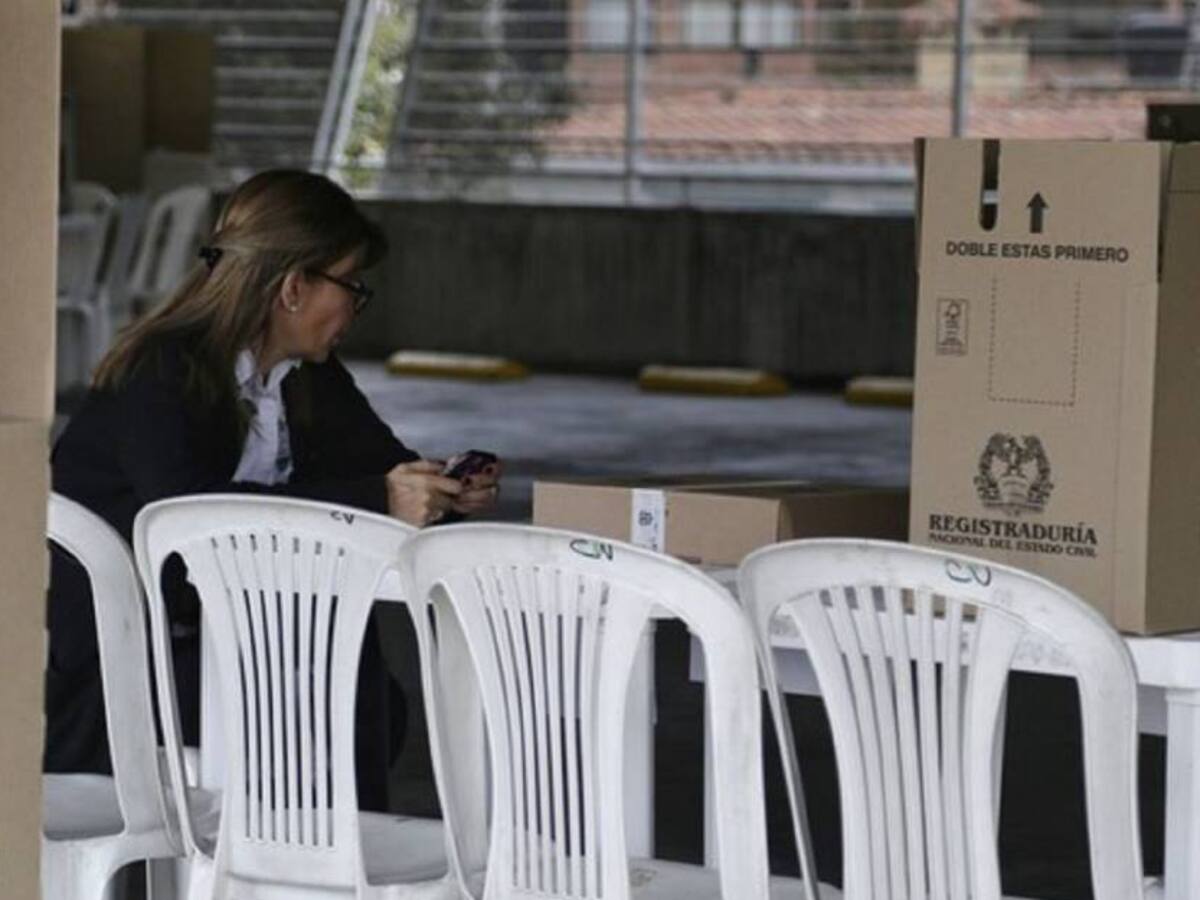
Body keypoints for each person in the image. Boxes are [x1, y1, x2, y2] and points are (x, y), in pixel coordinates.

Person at [47, 170, 501, 808]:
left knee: (355, 680)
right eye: (352, 287)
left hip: (228, 639)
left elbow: (381, 465)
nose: (354, 309)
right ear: (293, 287)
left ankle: (325, 870)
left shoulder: (305, 376)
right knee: (338, 686)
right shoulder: (164, 371)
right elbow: (191, 525)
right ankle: (317, 869)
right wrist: (380, 499)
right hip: (128, 666)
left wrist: (441, 487)